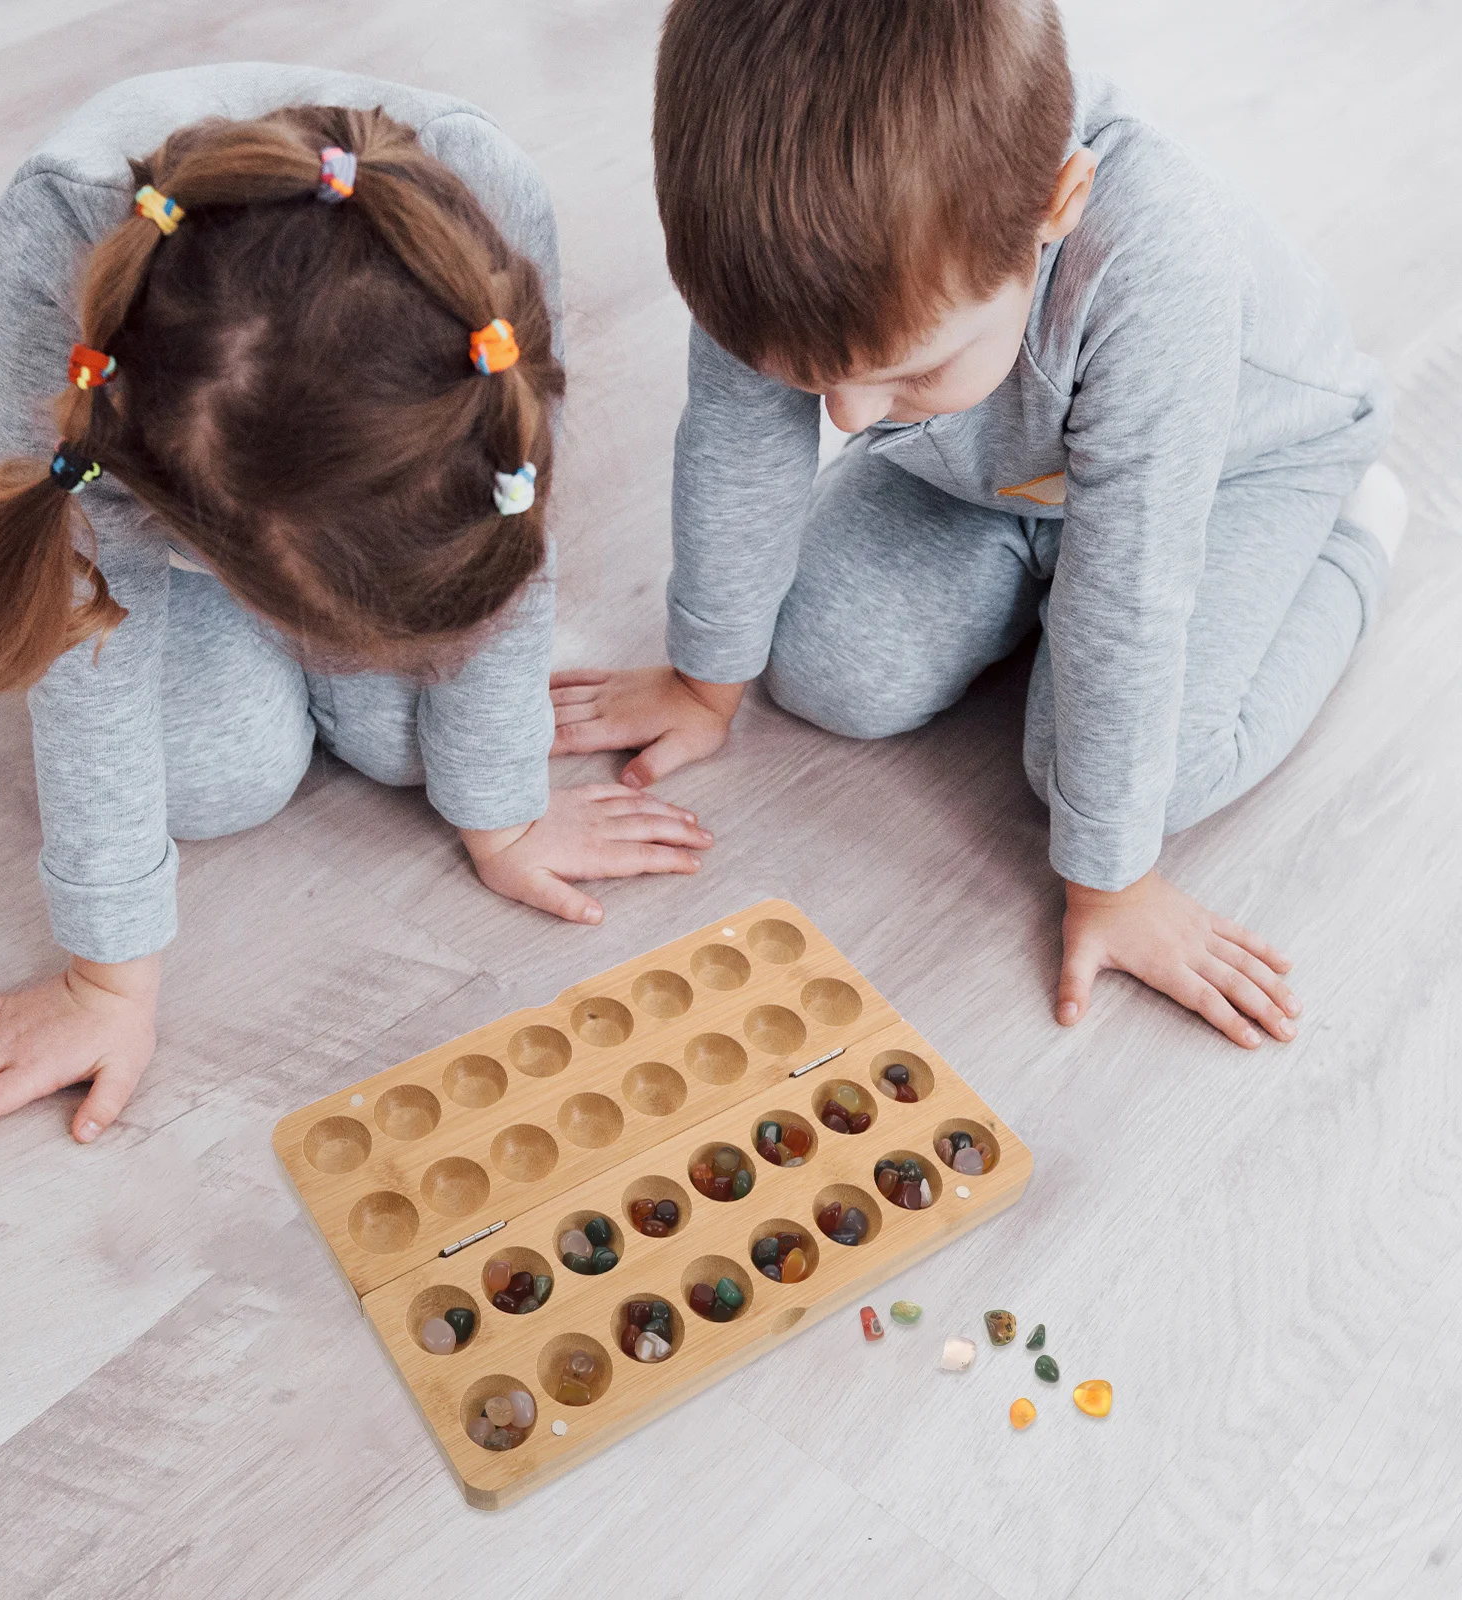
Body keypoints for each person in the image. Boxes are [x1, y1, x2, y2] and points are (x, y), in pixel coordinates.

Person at [0, 65, 711, 1149]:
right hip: (99, 431)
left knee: (417, 747)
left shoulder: (489, 218)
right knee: (225, 774)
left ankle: (350, 605)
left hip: (274, 470)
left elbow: (510, 532)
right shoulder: (62, 252)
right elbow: (83, 638)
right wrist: (106, 981)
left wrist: (501, 804)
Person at [553, 0, 1405, 1049]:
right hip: (995, 467)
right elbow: (738, 444)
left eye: (903, 369)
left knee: (1133, 777)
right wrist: (704, 676)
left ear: (1058, 205)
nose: (847, 417)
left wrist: (1113, 883)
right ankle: (1028, 573)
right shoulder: (768, 227)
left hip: (1236, 468)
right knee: (825, 666)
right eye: (818, 380)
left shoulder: (1158, 262)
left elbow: (1131, 592)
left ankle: (1358, 529)